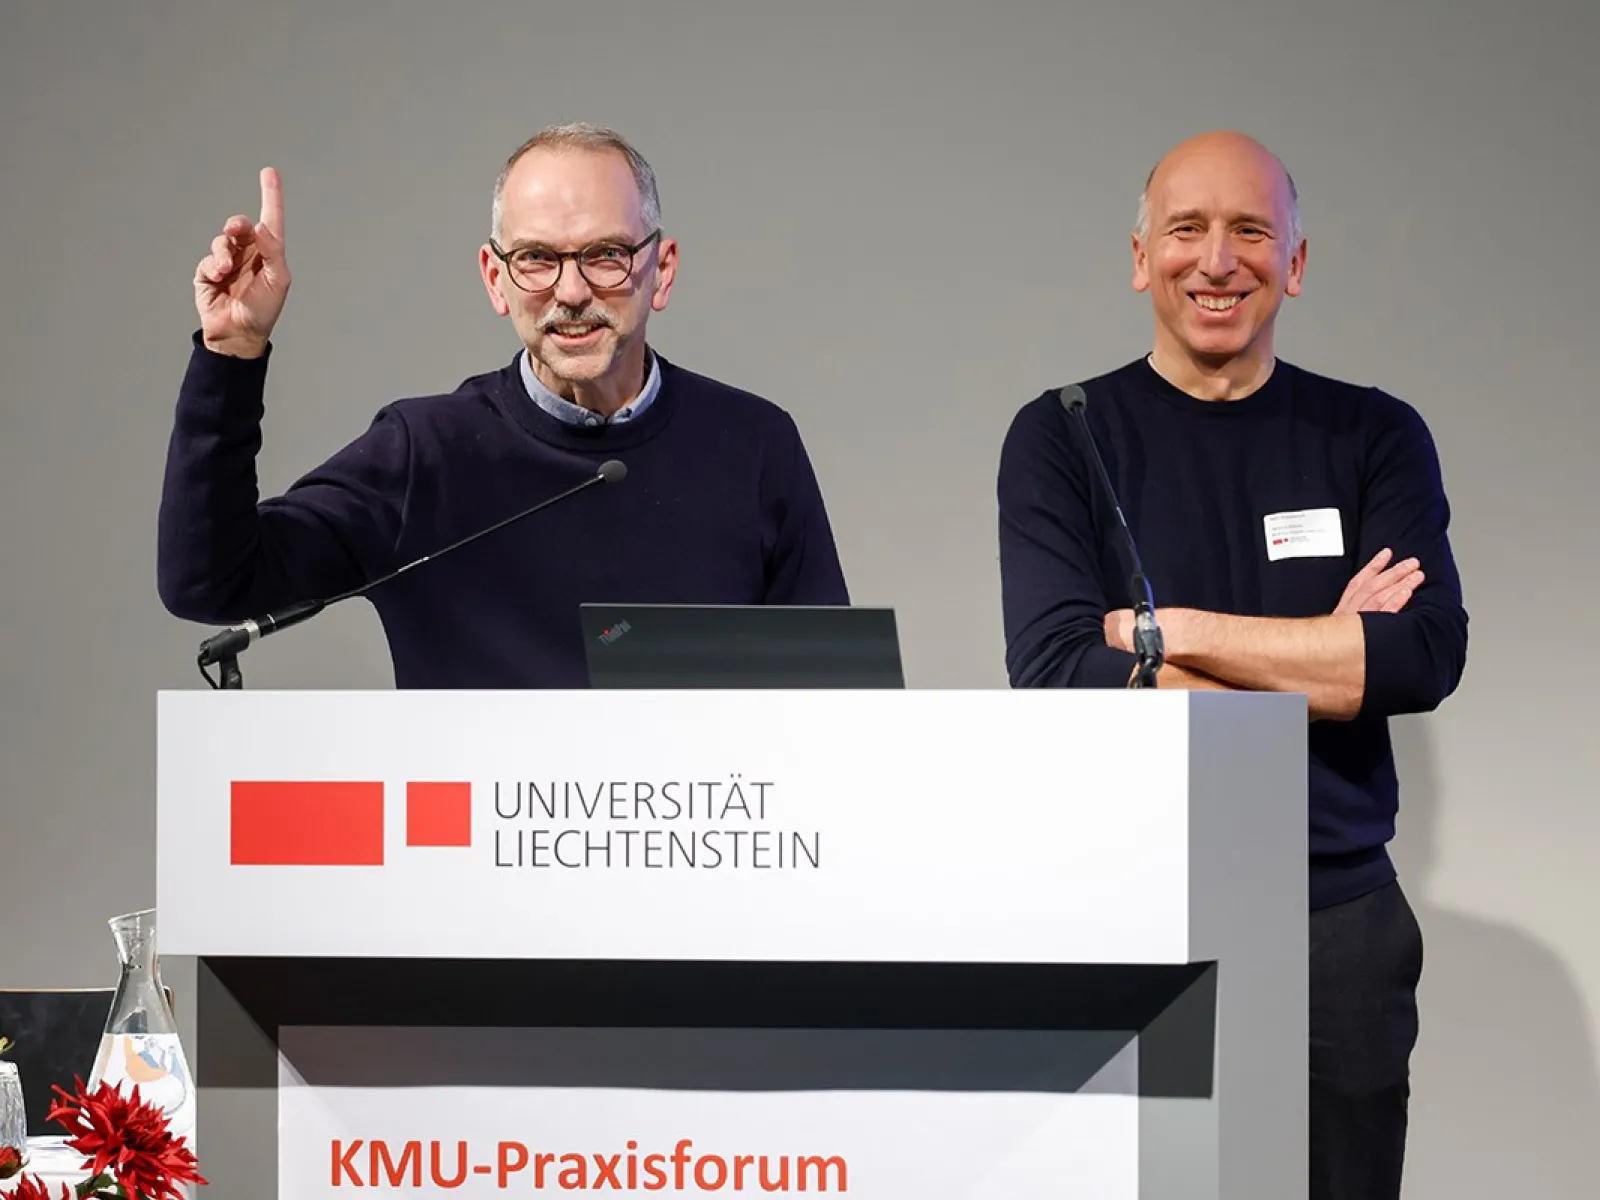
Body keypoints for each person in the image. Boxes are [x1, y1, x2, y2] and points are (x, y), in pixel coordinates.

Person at [995, 130, 1467, 1199]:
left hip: (1335, 922)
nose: (1217, 259)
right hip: (1134, 910)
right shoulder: (1061, 438)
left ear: (1293, 263)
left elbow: (1416, 656)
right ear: (1138, 257)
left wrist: (1163, 632)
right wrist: (1322, 657)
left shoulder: (1373, 434)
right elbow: (1063, 679)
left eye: (1250, 231)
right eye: (1186, 230)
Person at [157, 123, 850, 686]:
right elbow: (209, 583)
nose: (571, 292)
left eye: (606, 254)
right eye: (538, 259)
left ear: (659, 271)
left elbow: (835, 705)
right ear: (496, 279)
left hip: (700, 845)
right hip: (475, 847)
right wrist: (232, 354)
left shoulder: (754, 444)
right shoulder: (423, 453)